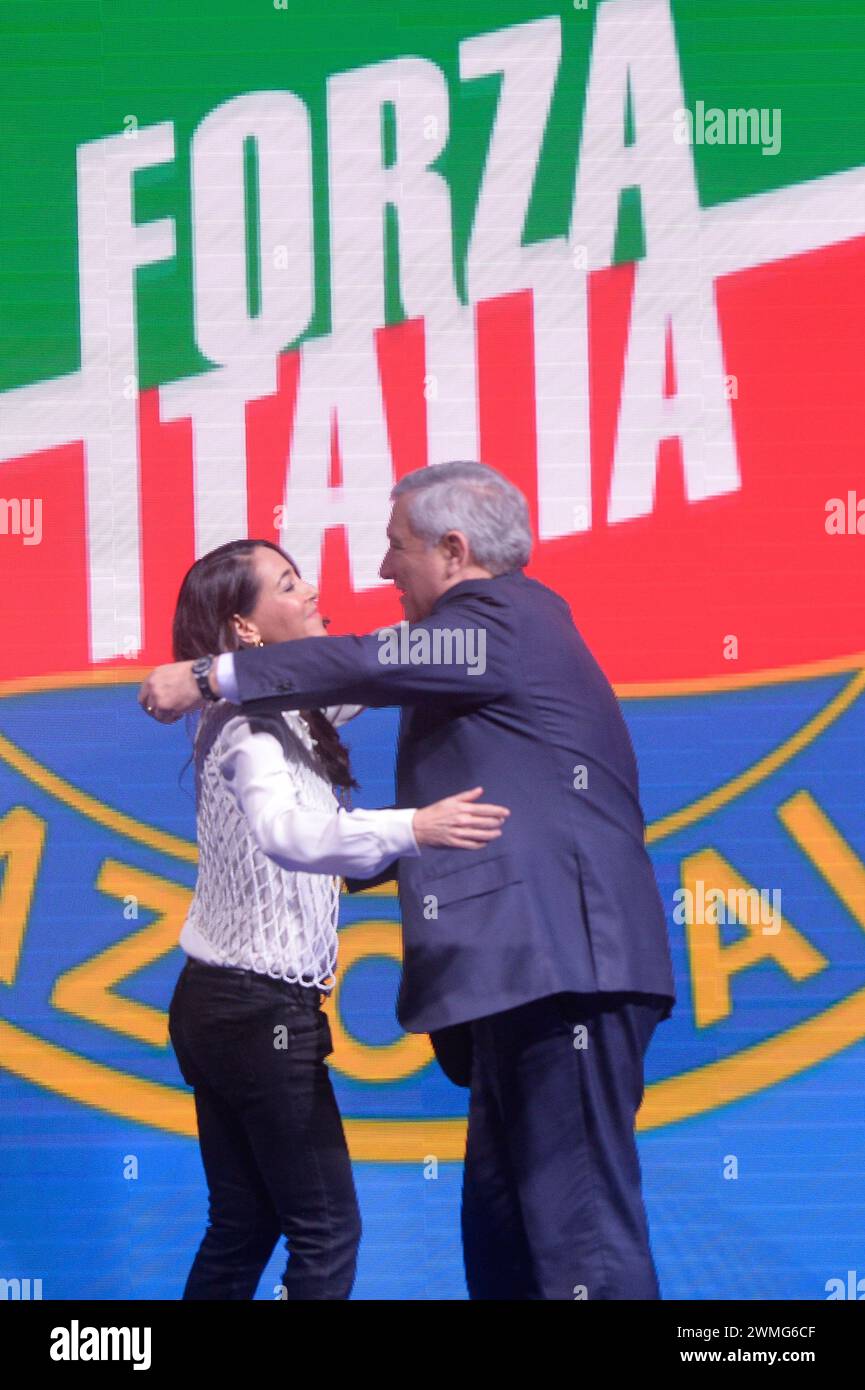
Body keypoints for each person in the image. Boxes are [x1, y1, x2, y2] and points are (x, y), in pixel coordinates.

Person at [141, 461, 677, 1300]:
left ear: (455, 551)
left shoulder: (499, 619)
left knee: (577, 1244)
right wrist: (404, 833)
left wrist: (208, 674)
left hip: (564, 970)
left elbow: (362, 664)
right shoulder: (471, 653)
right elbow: (339, 736)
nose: (382, 571)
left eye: (396, 548)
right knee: (505, 1240)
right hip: (520, 982)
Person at [165, 537, 509, 1300]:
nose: (310, 589)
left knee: (243, 1224)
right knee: (325, 1231)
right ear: (245, 630)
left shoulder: (290, 706)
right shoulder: (247, 725)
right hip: (254, 1013)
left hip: (220, 1006)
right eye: (287, 584)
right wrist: (413, 828)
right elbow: (292, 838)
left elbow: (374, 670)